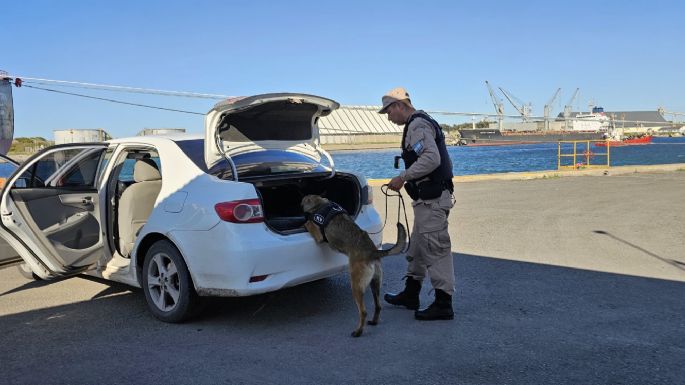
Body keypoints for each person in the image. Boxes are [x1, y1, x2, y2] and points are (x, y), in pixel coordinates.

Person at [378, 87, 455, 321]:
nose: (390, 119)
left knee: (436, 249)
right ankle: (411, 293)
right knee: (419, 248)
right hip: (426, 199)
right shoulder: (417, 123)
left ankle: (444, 304)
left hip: (432, 200)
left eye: (389, 113)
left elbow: (432, 158)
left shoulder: (417, 125)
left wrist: (403, 177)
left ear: (398, 106)